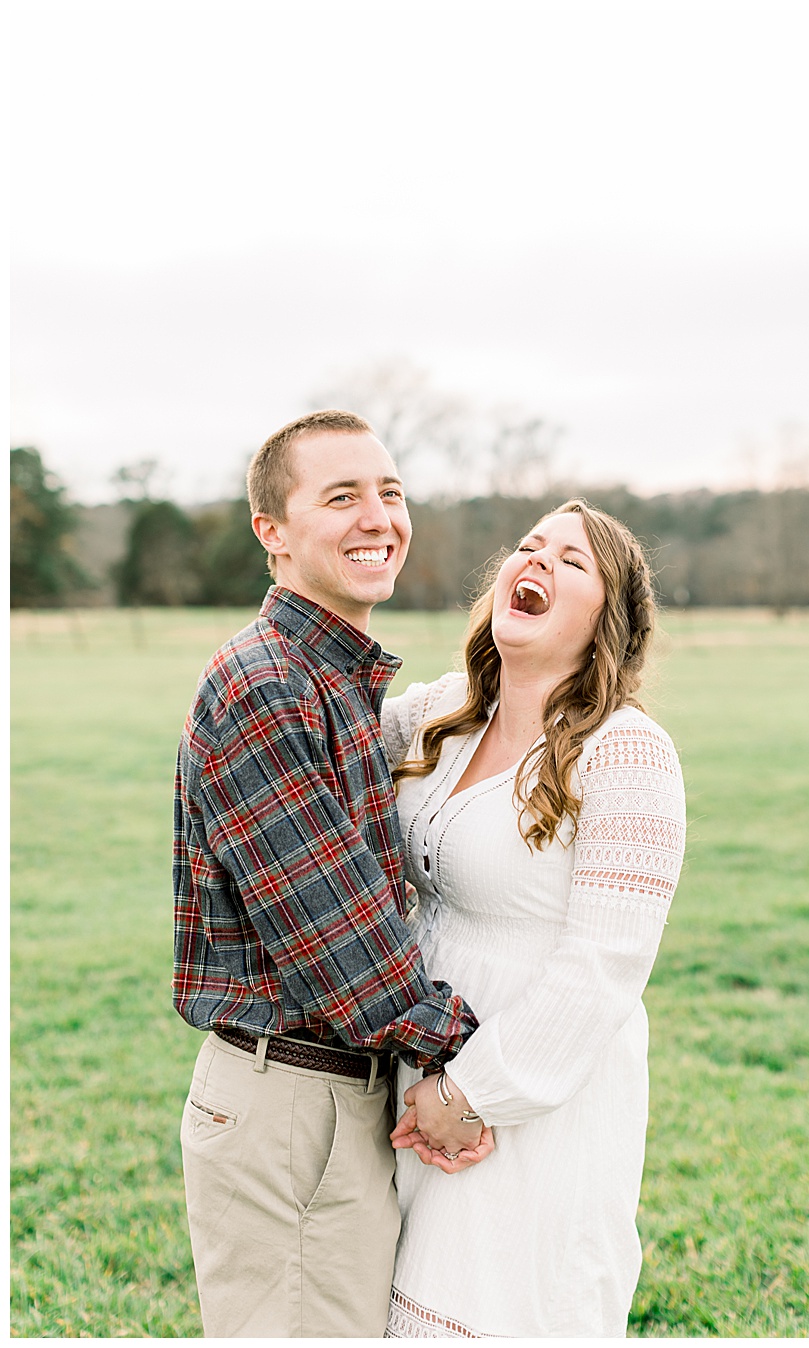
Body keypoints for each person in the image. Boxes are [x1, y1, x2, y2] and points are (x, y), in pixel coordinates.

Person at [173, 410, 490, 1338]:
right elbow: (337, 939)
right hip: (294, 1103)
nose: (378, 518)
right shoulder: (265, 684)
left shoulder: (337, 680)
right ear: (271, 531)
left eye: (390, 493)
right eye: (342, 496)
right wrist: (477, 1068)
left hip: (330, 1096)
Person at [378, 499, 686, 1338]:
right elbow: (328, 730)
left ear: (606, 622)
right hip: (417, 1072)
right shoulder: (444, 714)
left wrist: (472, 1094)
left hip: (536, 1102)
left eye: (572, 561)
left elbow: (605, 966)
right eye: (528, 545)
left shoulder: (626, 751)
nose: (538, 560)